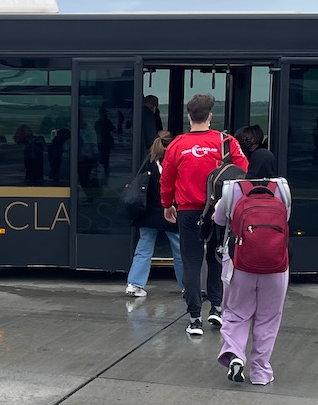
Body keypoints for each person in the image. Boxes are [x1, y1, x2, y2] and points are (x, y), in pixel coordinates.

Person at [160, 93, 246, 337]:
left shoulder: (177, 145)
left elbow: (166, 179)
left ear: (189, 117)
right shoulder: (226, 142)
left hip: (188, 212)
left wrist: (167, 204)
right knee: (218, 258)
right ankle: (217, 308)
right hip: (220, 210)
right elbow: (244, 173)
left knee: (191, 262)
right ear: (210, 116)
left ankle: (194, 318)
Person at [213, 175, 292, 385]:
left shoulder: (232, 189)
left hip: (239, 263)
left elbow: (219, 219)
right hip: (275, 266)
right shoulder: (282, 188)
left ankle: (236, 355)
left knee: (236, 313)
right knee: (268, 319)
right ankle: (260, 372)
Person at [124, 131, 185, 299]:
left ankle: (134, 284)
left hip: (148, 214)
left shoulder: (148, 162)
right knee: (179, 251)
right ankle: (186, 285)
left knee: (143, 249)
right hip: (169, 212)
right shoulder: (174, 162)